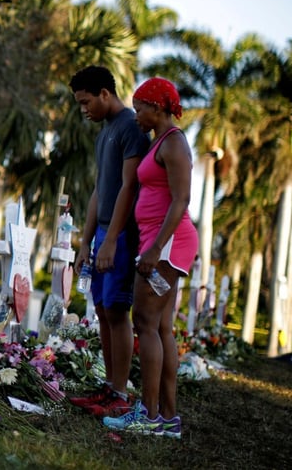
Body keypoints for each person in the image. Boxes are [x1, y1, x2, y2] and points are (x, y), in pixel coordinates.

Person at [104, 77, 198, 439]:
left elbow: (181, 200)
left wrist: (156, 248)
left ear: (157, 108)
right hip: (162, 242)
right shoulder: (162, 141)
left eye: (140, 107)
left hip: (167, 244)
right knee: (159, 328)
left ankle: (149, 414)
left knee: (144, 321)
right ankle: (167, 418)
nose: (136, 115)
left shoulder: (173, 143)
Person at [67, 65, 150, 418]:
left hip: (123, 233)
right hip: (102, 231)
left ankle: (120, 392)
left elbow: (129, 188)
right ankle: (109, 387)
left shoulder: (131, 127)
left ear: (105, 93)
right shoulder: (104, 134)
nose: (84, 109)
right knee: (101, 309)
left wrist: (113, 239)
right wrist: (86, 243)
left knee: (117, 311)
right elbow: (100, 191)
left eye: (86, 102)